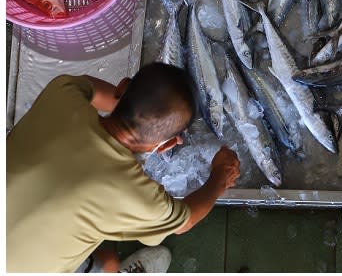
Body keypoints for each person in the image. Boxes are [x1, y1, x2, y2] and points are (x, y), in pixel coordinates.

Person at [6, 62, 241, 273]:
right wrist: (220, 176)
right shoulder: (138, 196)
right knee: (108, 264)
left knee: (105, 259)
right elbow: (185, 221)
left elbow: (90, 87)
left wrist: (142, 123)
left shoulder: (63, 92)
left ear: (121, 87)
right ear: (168, 143)